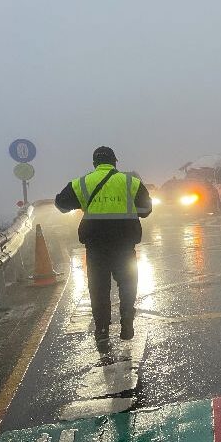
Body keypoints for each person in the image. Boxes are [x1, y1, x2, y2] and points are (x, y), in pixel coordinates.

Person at [55, 146, 152, 352]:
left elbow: (61, 204)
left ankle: (101, 332)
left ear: (94, 164)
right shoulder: (130, 182)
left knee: (98, 289)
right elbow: (146, 210)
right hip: (124, 245)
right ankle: (126, 318)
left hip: (96, 247)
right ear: (115, 162)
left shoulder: (82, 183)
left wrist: (84, 204)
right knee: (127, 283)